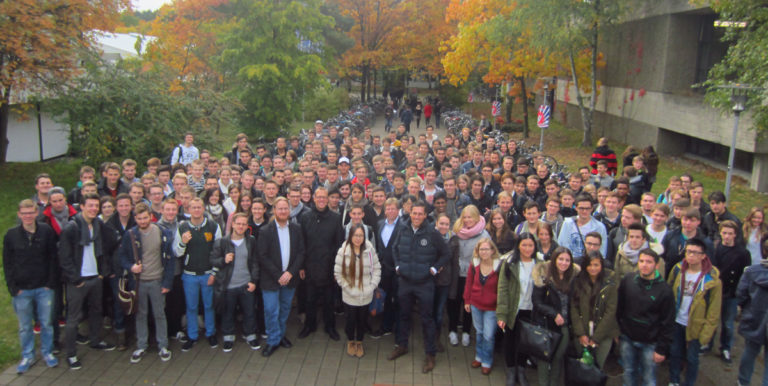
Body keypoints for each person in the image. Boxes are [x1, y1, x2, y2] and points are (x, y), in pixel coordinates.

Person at [388, 201, 450, 374]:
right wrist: (398, 266)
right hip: (405, 281)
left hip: (425, 283)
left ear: (425, 215)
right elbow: (394, 248)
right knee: (403, 315)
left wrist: (434, 269)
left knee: (426, 319)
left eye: (420, 214)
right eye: (414, 213)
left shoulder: (432, 232)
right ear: (410, 213)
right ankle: (402, 345)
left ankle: (430, 354)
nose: (416, 217)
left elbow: (446, 254)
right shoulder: (402, 228)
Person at [59, 193, 118, 370]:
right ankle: (71, 354)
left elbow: (109, 245)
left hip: (95, 277)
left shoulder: (98, 225)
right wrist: (75, 279)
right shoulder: (72, 228)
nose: (93, 209)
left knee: (96, 311)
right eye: (90, 205)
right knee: (73, 318)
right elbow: (64, 257)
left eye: (96, 206)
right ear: (82, 206)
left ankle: (95, 340)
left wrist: (102, 272)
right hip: (78, 280)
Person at [4, 199, 59, 373]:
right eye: (24, 213)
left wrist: (50, 283)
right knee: (25, 326)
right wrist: (13, 287)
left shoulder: (46, 231)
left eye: (31, 212)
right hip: (22, 290)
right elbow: (8, 263)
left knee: (46, 323)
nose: (28, 216)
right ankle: (27, 355)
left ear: (36, 213)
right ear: (19, 215)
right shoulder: (11, 235)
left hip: (44, 288)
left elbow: (53, 258)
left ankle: (47, 353)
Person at [119, 203, 175, 363]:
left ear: (151, 216)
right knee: (140, 314)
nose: (143, 221)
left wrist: (167, 282)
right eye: (139, 218)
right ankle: (141, 345)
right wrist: (131, 267)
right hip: (138, 282)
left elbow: (169, 260)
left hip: (157, 280)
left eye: (145, 218)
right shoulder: (130, 235)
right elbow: (121, 256)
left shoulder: (162, 232)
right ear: (135, 218)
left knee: (159, 314)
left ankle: (163, 345)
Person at [667, 238, 722, 386]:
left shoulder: (712, 279)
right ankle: (674, 380)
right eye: (688, 252)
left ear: (703, 255)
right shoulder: (678, 269)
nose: (690, 255)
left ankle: (689, 382)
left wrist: (706, 333)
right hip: (677, 320)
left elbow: (714, 310)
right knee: (675, 353)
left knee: (692, 358)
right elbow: (668, 291)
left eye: (695, 253)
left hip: (696, 324)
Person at [617, 248, 675, 386]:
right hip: (627, 338)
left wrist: (661, 348)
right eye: (641, 261)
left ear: (657, 265)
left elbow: (668, 322)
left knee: (649, 378)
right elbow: (619, 308)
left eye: (649, 262)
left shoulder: (665, 290)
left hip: (650, 343)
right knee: (628, 373)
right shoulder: (628, 280)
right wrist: (617, 330)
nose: (644, 264)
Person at [258, 197, 306, 357]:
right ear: (274, 210)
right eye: (280, 209)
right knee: (272, 310)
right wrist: (279, 275)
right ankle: (273, 340)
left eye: (286, 208)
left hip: (289, 278)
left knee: (285, 309)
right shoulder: (265, 231)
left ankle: (280, 334)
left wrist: (290, 272)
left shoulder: (296, 228)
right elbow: (262, 256)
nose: (284, 211)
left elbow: (301, 252)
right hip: (271, 279)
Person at [173, 197, 222, 351]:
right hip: (189, 274)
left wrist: (215, 272)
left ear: (203, 208)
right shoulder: (182, 228)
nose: (196, 210)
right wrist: (183, 242)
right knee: (191, 307)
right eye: (193, 207)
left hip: (208, 273)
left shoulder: (213, 226)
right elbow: (177, 252)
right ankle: (192, 335)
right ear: (188, 209)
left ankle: (210, 333)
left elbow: (219, 250)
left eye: (199, 207)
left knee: (209, 305)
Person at [210, 212, 260, 352]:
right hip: (228, 285)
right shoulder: (222, 242)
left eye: (244, 224)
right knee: (228, 312)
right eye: (238, 223)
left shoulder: (251, 241)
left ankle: (250, 335)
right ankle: (228, 337)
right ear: (232, 224)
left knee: (249, 312)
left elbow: (255, 262)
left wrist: (254, 281)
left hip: (246, 283)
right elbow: (213, 260)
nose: (241, 226)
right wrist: (223, 260)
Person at [497, 233, 543, 386]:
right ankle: (511, 370)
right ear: (518, 246)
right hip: (514, 308)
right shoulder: (510, 262)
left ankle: (521, 370)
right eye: (524, 245)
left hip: (531, 309)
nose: (527, 248)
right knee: (510, 340)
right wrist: (502, 314)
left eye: (530, 245)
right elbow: (502, 288)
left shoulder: (540, 263)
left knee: (525, 342)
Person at [298, 187, 344, 341]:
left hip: (329, 266)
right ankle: (309, 326)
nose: (322, 200)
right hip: (310, 265)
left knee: (329, 300)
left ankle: (330, 327)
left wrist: (337, 269)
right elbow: (301, 243)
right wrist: (302, 266)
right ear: (314, 198)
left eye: (325, 197)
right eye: (319, 197)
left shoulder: (336, 218)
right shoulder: (305, 217)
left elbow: (339, 245)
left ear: (329, 199)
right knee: (309, 299)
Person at [532, 247, 578, 386]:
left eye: (567, 260)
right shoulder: (544, 276)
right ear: (554, 260)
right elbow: (537, 302)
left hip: (565, 325)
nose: (564, 263)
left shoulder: (573, 277)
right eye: (561, 259)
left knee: (558, 357)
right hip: (547, 324)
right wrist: (554, 314)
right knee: (545, 358)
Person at [334, 223, 381, 358]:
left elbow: (377, 268)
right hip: (349, 294)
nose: (358, 238)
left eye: (361, 235)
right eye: (355, 235)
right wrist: (349, 289)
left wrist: (371, 286)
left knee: (362, 320)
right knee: (350, 320)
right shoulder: (343, 251)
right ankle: (350, 341)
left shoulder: (370, 250)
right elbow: (338, 273)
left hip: (366, 293)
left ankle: (359, 341)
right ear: (350, 236)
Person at [447, 205, 490, 347]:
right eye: (464, 217)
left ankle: (466, 331)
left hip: (473, 274)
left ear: (476, 217)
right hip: (456, 272)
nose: (467, 220)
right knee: (454, 301)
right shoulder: (456, 230)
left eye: (470, 217)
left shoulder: (484, 235)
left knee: (469, 303)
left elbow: (488, 254)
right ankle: (452, 330)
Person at [570, 251, 619, 369]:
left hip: (604, 333)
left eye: (596, 265)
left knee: (597, 368)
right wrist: (581, 333)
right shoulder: (578, 282)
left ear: (601, 266)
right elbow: (574, 308)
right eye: (590, 265)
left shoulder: (610, 283)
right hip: (582, 331)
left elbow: (610, 312)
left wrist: (596, 338)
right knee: (583, 367)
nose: (593, 268)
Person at [712, 220, 750, 364]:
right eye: (724, 233)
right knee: (712, 320)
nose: (726, 236)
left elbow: (746, 275)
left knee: (728, 324)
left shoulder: (742, 253)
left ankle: (726, 347)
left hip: (732, 293)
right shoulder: (715, 248)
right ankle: (708, 343)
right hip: (715, 290)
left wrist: (741, 295)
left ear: (735, 235)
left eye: (730, 234)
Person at [462, 238, 501, 375]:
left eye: (486, 249)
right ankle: (479, 356)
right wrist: (467, 300)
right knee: (479, 332)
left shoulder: (499, 266)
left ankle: (487, 360)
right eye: (481, 249)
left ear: (492, 250)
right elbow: (469, 283)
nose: (484, 252)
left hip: (492, 307)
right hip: (476, 304)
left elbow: (502, 288)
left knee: (488, 335)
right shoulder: (474, 264)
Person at [735, 237, 768, 386]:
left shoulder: (752, 272)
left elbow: (741, 294)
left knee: (750, 351)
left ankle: (743, 382)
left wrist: (746, 309)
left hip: (754, 318)